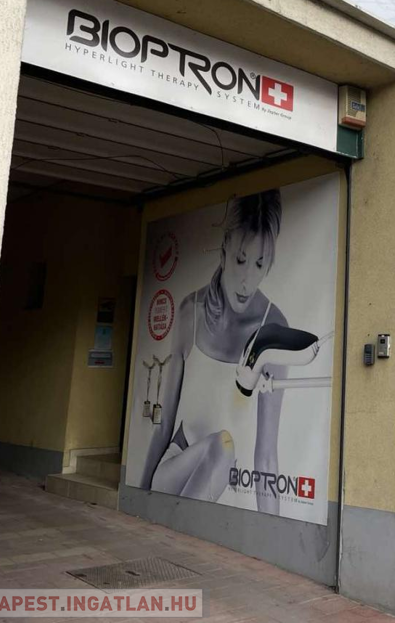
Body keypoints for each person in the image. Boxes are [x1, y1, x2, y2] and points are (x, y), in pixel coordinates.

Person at [139, 190, 330, 514]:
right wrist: (137, 500)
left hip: (226, 486)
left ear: (269, 264)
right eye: (241, 260)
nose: (246, 280)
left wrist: (271, 527)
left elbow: (266, 455)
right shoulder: (191, 312)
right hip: (174, 470)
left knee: (224, 448)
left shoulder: (274, 329)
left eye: (259, 263)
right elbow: (164, 425)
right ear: (225, 248)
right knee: (221, 446)